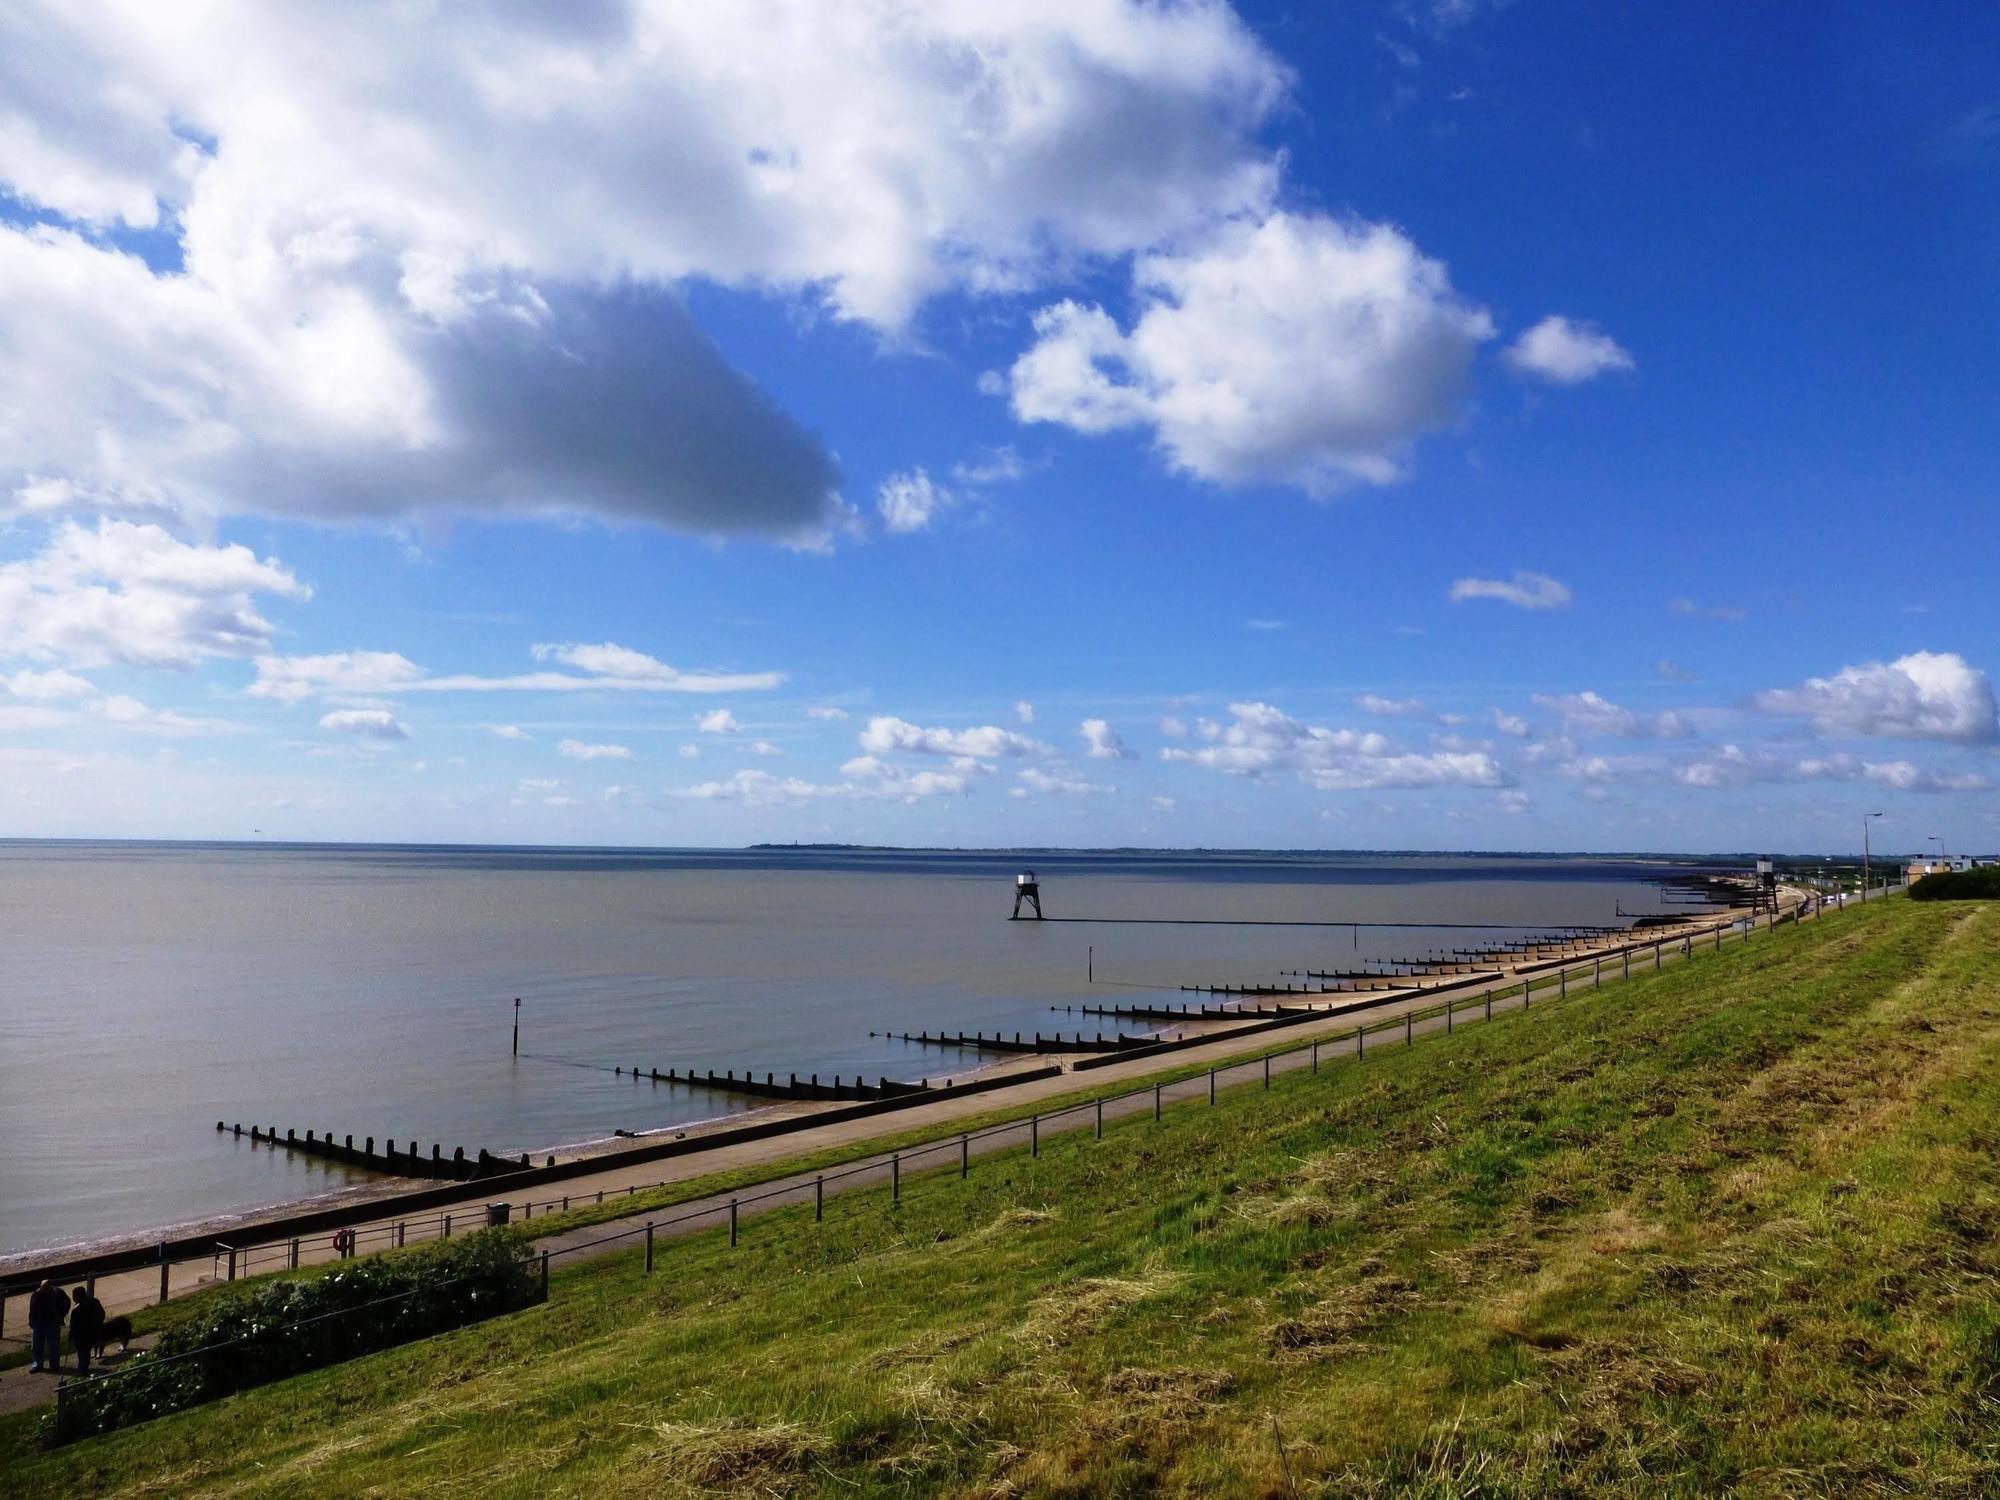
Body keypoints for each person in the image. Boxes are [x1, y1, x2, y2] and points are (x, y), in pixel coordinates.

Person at [27, 1280, 70, 1373]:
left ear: (50, 1287)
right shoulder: (36, 1294)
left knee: (53, 1346)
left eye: (46, 1289)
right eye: (43, 1289)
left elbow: (67, 1303)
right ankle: (37, 1365)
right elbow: (32, 1307)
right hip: (38, 1323)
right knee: (36, 1346)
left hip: (52, 1322)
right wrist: (31, 1321)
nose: (44, 1291)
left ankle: (54, 1365)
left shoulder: (58, 1293)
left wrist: (61, 1314)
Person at [68, 1284, 104, 1375]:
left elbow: (73, 1326)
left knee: (82, 1354)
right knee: (87, 1352)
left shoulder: (77, 1310)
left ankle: (82, 1370)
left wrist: (71, 1337)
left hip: (82, 1336)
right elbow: (102, 1314)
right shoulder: (95, 1302)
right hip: (94, 1333)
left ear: (77, 1297)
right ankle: (84, 1368)